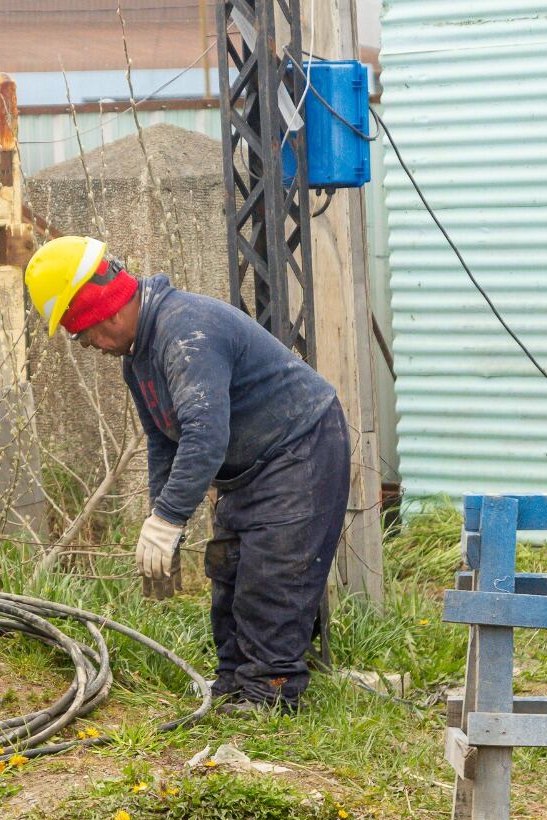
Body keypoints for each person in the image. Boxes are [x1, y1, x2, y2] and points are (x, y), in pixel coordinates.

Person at [23, 236, 350, 713]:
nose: (88, 346)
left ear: (105, 312)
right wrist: (162, 522)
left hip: (300, 447)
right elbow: (165, 440)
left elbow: (204, 436)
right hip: (252, 466)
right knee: (232, 572)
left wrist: (171, 518)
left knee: (271, 576)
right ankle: (236, 687)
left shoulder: (184, 333)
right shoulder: (140, 358)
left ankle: (269, 697)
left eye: (83, 333)